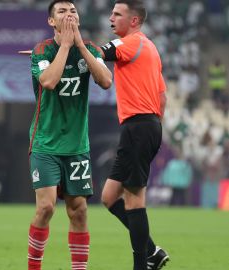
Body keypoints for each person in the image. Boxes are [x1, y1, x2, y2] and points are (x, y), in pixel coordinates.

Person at [26, 1, 112, 269]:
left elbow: (106, 81)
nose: (69, 15)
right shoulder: (42, 50)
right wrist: (65, 45)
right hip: (46, 142)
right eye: (62, 12)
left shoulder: (92, 49)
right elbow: (49, 82)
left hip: (76, 145)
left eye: (73, 11)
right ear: (52, 21)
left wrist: (81, 47)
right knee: (46, 208)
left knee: (79, 210)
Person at [99, 1, 169, 269]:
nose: (111, 18)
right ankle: (152, 250)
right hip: (144, 125)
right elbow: (162, 97)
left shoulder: (130, 43)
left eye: (117, 14)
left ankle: (141, 265)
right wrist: (153, 125)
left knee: (133, 198)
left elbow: (97, 53)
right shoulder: (150, 48)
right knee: (109, 197)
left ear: (134, 21)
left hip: (138, 126)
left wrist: (66, 45)